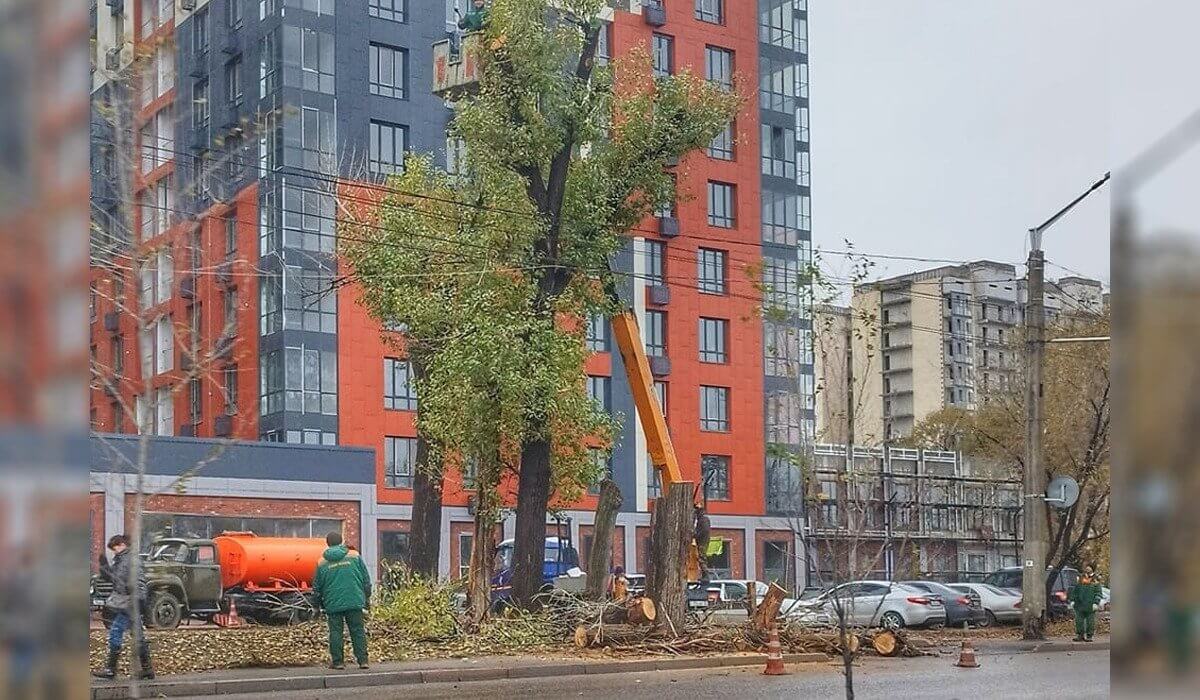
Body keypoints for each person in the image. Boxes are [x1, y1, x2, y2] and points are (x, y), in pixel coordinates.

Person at [93, 535, 153, 680]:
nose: (114, 552)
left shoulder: (131, 560)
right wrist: (104, 566)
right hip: (128, 603)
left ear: (122, 544)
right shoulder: (121, 560)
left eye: (114, 548)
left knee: (115, 631)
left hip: (130, 603)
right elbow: (112, 578)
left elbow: (138, 581)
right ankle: (147, 670)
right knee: (138, 637)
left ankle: (110, 669)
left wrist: (136, 596)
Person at [313, 532, 372, 670]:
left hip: (333, 603)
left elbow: (316, 588)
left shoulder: (322, 562)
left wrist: (316, 606)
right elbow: (366, 580)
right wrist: (366, 598)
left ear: (327, 543)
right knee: (357, 630)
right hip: (354, 599)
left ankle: (338, 662)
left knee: (335, 632)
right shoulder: (354, 556)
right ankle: (363, 661)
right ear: (341, 542)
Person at [1069, 566, 1104, 642]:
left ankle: (1089, 636)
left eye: (1088, 570)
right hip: (1079, 605)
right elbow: (1076, 591)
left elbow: (1098, 593)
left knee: (1090, 621)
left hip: (1090, 605)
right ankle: (1080, 635)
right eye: (1086, 570)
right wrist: (1073, 600)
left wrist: (1096, 603)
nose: (1087, 572)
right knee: (1079, 621)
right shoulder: (1081, 580)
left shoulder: (1095, 581)